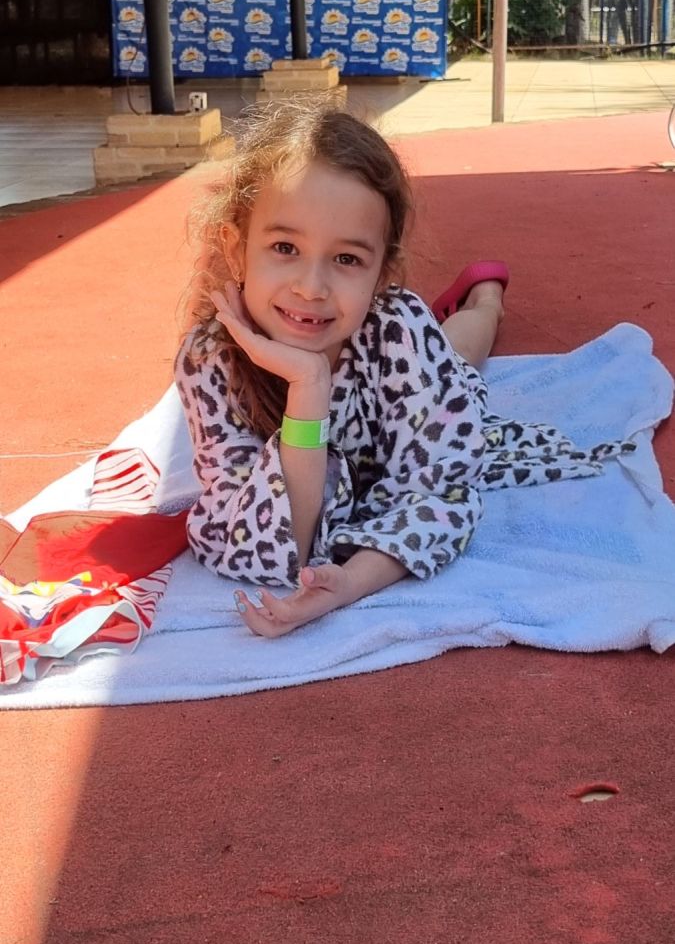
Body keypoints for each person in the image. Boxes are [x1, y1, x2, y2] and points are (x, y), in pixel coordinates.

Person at [175, 100, 632, 639]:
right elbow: (266, 544)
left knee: (461, 361)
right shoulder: (210, 360)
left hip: (426, 382)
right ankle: (464, 312)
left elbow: (442, 494)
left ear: (382, 275)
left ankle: (486, 298)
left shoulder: (397, 330)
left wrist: (351, 581)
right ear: (236, 250)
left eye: (347, 259)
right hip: (392, 374)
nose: (312, 288)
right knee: (449, 350)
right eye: (284, 247)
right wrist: (309, 386)